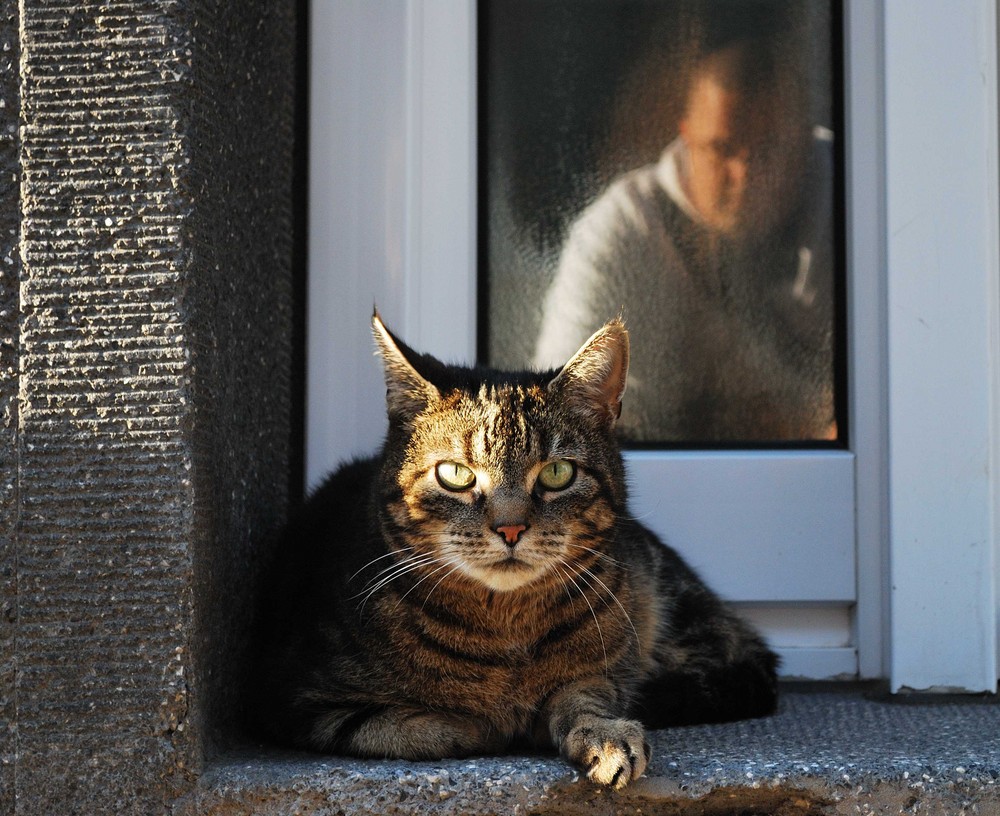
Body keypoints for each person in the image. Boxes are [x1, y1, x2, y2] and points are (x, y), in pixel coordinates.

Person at [533, 39, 836, 443]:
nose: (744, 176)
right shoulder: (618, 233)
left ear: (801, 140)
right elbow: (552, 420)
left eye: (767, 150)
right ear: (686, 137)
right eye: (722, 149)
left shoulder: (857, 194)